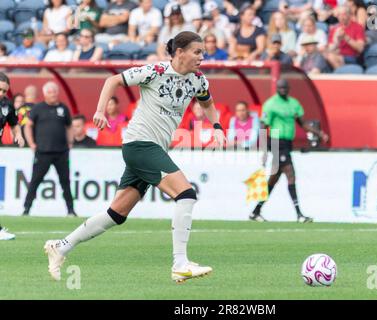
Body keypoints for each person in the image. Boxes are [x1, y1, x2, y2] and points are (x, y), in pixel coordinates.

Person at [43, 31, 226, 283]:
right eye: (197, 51)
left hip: (153, 149)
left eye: (203, 52)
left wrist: (217, 128)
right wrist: (100, 111)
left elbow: (207, 103)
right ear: (180, 52)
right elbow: (112, 81)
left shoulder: (198, 80)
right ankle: (180, 263)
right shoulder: (155, 71)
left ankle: (61, 246)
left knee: (116, 213)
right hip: (140, 144)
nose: (202, 57)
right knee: (186, 194)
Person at [250, 79, 329, 223]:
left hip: (287, 143)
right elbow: (263, 125)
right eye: (280, 87)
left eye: (285, 87)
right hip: (276, 142)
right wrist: (264, 150)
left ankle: (256, 211)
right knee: (291, 174)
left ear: (288, 88)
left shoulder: (294, 104)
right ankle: (299, 214)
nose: (283, 89)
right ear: (277, 88)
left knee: (274, 179)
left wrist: (319, 133)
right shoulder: (271, 104)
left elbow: (303, 124)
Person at [23, 82, 76, 217]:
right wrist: (31, 143)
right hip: (42, 152)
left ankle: (70, 210)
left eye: (55, 91)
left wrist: (70, 142)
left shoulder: (63, 108)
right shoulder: (38, 108)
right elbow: (28, 126)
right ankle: (26, 209)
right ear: (45, 93)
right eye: (50, 92)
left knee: (65, 182)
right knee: (35, 181)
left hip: (61, 152)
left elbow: (69, 126)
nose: (53, 94)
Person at [0, 72, 25, 240]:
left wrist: (19, 135)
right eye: (0, 90)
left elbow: (14, 124)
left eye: (4, 91)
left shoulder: (7, 105)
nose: (1, 94)